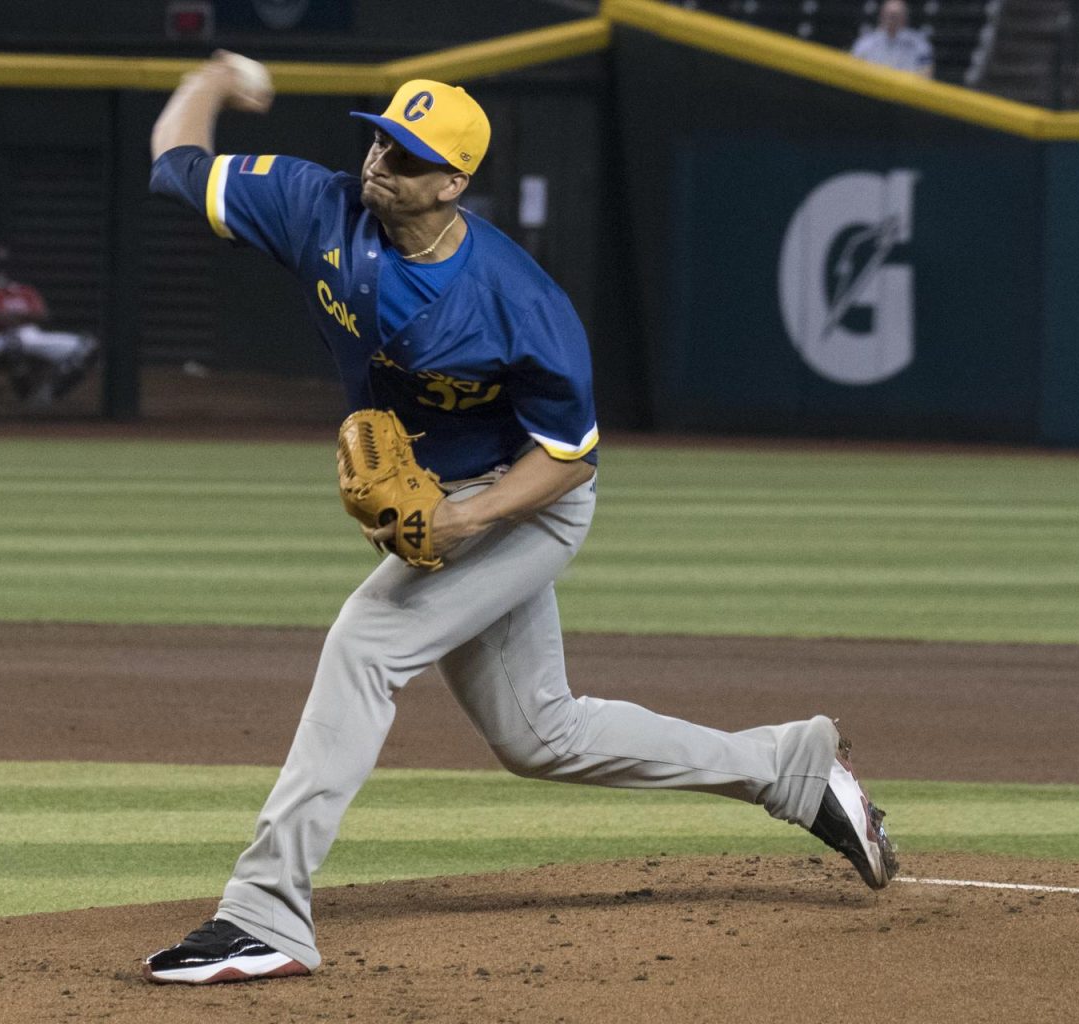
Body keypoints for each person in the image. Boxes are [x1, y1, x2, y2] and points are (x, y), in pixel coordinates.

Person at [141, 55, 898, 986]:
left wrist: (468, 521)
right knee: (543, 737)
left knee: (366, 645)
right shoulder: (316, 207)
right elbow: (175, 161)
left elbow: (570, 455)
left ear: (454, 182)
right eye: (379, 137)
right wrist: (215, 79)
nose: (380, 160)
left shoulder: (519, 302)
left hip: (524, 502)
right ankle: (790, 768)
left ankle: (266, 914)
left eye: (408, 155)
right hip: (456, 495)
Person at [0, 243, 97, 403]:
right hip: (1, 338)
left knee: (88, 346)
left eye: (4, 265)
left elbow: (43, 315)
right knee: (13, 343)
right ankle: (24, 396)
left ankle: (48, 394)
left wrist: (12, 315)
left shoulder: (25, 290)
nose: (1, 270)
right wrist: (23, 316)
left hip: (33, 335)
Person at [851, 0, 934, 77]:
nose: (892, 20)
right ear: (881, 16)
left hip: (905, 90)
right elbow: (853, 70)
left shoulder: (919, 45)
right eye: (889, 15)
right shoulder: (865, 43)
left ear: (904, 18)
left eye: (896, 16)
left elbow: (926, 74)